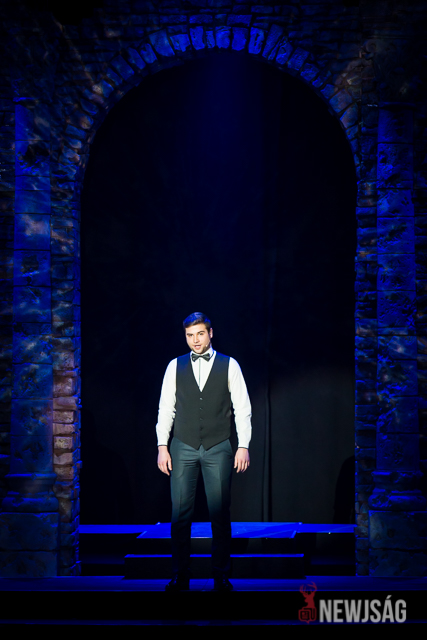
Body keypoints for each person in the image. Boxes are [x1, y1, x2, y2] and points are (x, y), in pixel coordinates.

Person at [156, 312, 252, 592]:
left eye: (200, 334)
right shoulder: (174, 366)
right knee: (180, 515)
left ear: (210, 333)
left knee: (219, 514)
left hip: (218, 446)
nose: (195, 340)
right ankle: (180, 575)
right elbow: (166, 409)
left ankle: (220, 574)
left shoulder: (229, 365)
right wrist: (162, 446)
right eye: (190, 335)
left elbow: (242, 408)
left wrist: (243, 445)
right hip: (182, 445)